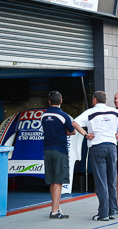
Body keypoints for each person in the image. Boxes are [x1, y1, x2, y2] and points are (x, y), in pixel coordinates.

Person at [72, 91, 118, 221]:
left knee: (101, 181)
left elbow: (74, 123)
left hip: (97, 147)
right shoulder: (114, 112)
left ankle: (103, 213)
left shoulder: (89, 112)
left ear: (94, 99)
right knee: (111, 180)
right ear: (105, 100)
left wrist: (85, 134)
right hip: (112, 147)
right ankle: (112, 211)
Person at [41, 91, 75, 219]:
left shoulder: (44, 116)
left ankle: (57, 207)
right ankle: (54, 211)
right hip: (60, 150)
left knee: (52, 180)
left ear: (49, 102)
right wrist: (65, 131)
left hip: (47, 150)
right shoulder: (64, 116)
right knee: (58, 181)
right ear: (61, 101)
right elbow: (72, 132)